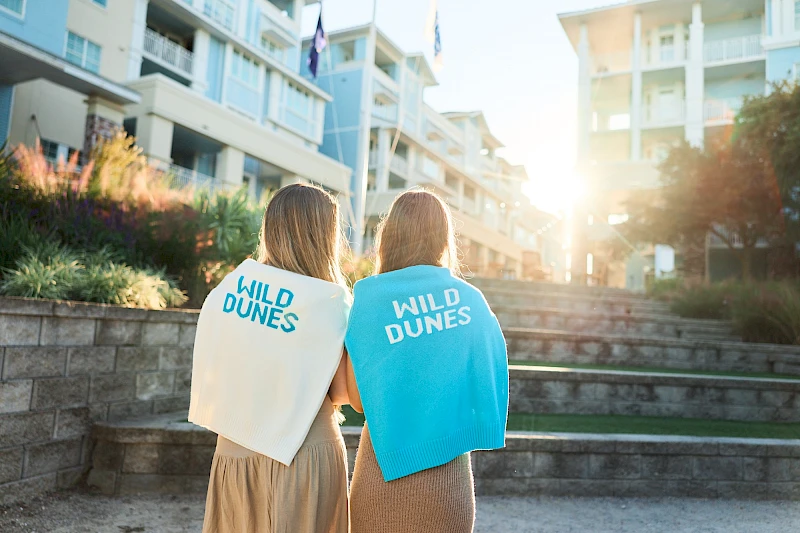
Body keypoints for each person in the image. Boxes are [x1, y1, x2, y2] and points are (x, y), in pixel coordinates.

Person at [189, 183, 352, 533]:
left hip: (235, 451)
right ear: (322, 236)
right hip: (305, 455)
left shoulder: (229, 289)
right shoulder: (330, 300)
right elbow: (342, 393)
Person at [345, 189, 509, 533]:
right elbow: (491, 367)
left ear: (389, 235)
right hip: (447, 480)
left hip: (380, 474)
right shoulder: (470, 301)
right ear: (442, 238)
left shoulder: (368, 297)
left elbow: (359, 402)